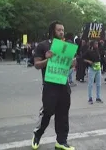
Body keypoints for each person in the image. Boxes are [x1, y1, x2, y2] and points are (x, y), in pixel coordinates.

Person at [31, 21, 75, 150]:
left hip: (63, 84)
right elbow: (37, 65)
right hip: (49, 85)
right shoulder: (43, 45)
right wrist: (48, 59)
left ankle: (61, 141)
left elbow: (72, 65)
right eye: (59, 30)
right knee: (47, 112)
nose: (62, 32)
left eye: (63, 30)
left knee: (63, 114)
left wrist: (73, 62)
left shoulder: (67, 46)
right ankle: (37, 135)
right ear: (53, 31)